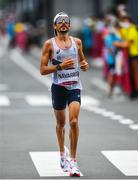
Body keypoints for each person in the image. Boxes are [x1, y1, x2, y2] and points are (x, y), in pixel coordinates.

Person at [40, 12, 89, 177]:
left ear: (69, 25)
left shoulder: (77, 43)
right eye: (59, 22)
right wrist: (59, 67)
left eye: (66, 21)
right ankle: (62, 153)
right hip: (58, 88)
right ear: (54, 26)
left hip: (74, 86)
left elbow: (83, 61)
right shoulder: (49, 45)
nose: (63, 23)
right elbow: (42, 70)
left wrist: (84, 65)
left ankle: (73, 161)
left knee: (74, 121)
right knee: (61, 125)